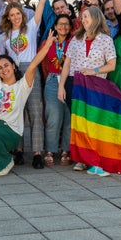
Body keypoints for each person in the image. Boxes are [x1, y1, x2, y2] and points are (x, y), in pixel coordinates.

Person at [0, 25, 54, 176]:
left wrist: (47, 46)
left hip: (8, 130)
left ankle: (5, 161)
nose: (3, 69)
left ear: (13, 66)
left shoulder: (22, 86)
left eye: (6, 65)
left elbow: (33, 65)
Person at [0, 0, 54, 168]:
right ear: (8, 17)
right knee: (17, 112)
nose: (15, 17)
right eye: (11, 15)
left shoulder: (31, 27)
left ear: (22, 14)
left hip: (31, 69)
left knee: (35, 111)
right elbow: (1, 58)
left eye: (17, 14)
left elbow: (41, 2)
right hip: (14, 73)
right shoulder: (4, 36)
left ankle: (37, 152)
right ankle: (18, 150)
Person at [58, 6, 117, 174]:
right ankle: (81, 159)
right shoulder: (75, 39)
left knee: (92, 123)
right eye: (82, 17)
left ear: (96, 18)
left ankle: (92, 159)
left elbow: (112, 65)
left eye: (86, 17)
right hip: (74, 84)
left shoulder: (106, 40)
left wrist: (94, 71)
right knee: (78, 122)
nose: (83, 20)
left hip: (95, 85)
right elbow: (67, 64)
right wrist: (61, 86)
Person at [41, 15, 73, 167]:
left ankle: (66, 150)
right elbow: (42, 61)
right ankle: (50, 150)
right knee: (53, 116)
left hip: (70, 80)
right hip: (53, 80)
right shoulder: (48, 42)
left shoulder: (73, 42)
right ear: (55, 26)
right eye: (60, 24)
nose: (63, 27)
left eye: (67, 24)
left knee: (68, 116)